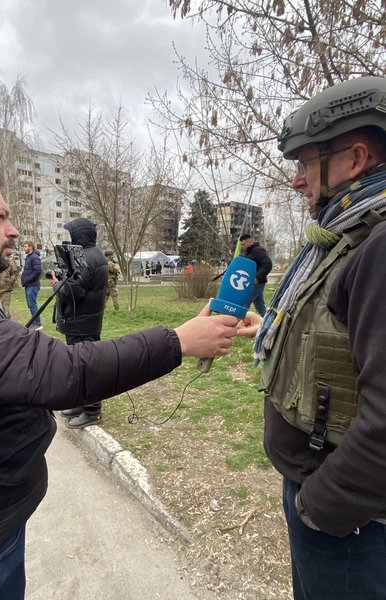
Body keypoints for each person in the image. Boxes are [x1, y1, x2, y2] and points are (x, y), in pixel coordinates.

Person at [0, 161, 240, 600]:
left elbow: (60, 368)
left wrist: (177, 341)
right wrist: (177, 340)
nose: (14, 230)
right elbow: (55, 370)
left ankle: (91, 410)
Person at [236, 76, 386, 600]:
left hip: (350, 518)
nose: (297, 180)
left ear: (356, 157)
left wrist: (321, 508)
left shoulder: (379, 246)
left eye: (304, 163)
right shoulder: (345, 235)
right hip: (325, 492)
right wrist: (275, 330)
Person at [50, 218, 108, 429]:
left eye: (72, 234)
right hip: (82, 321)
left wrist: (57, 284)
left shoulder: (86, 257)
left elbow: (72, 291)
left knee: (86, 367)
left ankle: (92, 411)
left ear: (79, 235)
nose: (70, 238)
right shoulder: (95, 254)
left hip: (82, 323)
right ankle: (80, 404)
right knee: (79, 365)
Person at [239, 233, 272, 317]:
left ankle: (236, 324)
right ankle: (267, 323)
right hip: (252, 283)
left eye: (243, 244)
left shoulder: (258, 250)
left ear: (250, 242)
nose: (242, 246)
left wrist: (257, 278)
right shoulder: (249, 253)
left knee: (244, 302)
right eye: (241, 245)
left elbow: (267, 264)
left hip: (257, 282)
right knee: (260, 307)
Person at [21, 240, 42, 330]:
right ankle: (34, 322)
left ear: (30, 247)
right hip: (28, 285)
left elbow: (37, 271)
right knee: (30, 304)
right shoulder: (28, 257)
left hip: (33, 284)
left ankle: (38, 324)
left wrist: (28, 279)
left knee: (32, 304)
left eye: (25, 246)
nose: (24, 248)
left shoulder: (34, 257)